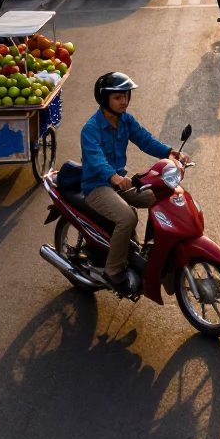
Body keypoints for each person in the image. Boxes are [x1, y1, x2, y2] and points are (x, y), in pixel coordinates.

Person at [80, 72, 191, 294]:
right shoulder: (91, 129)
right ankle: (113, 271)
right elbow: (96, 160)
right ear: (105, 100)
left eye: (126, 96)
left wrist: (170, 152)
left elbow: (144, 139)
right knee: (127, 217)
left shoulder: (126, 120)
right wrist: (115, 178)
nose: (124, 102)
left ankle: (149, 248)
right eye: (118, 98)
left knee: (161, 195)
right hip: (97, 186)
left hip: (120, 180)